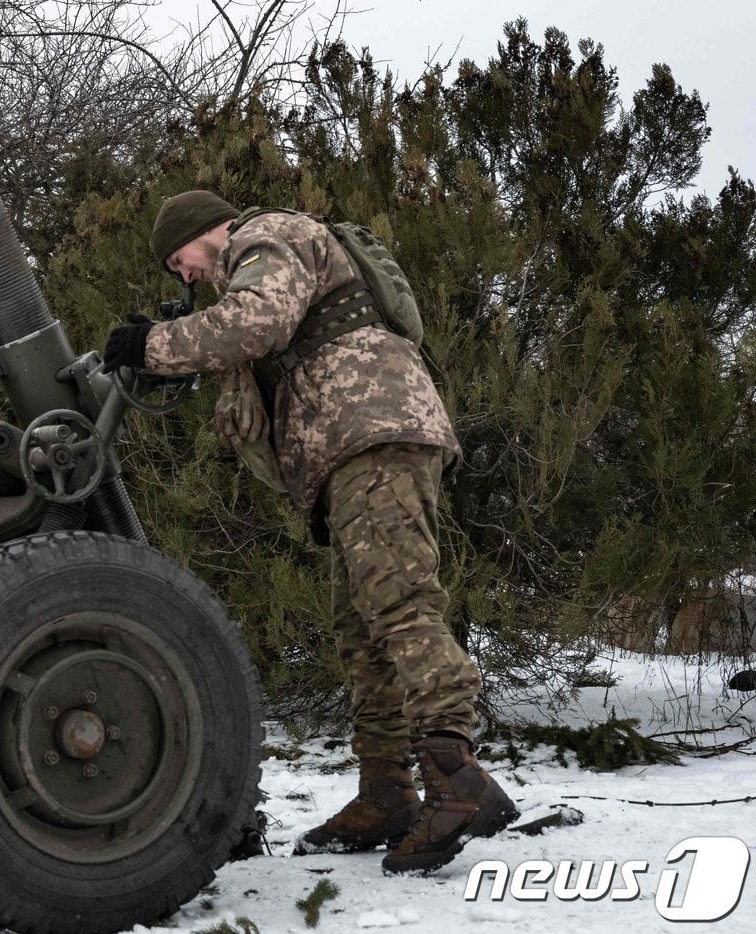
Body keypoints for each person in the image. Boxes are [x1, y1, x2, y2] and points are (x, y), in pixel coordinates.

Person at [101, 190, 518, 875]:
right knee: (362, 630)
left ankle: (457, 779)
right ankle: (386, 790)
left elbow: (257, 321)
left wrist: (152, 343)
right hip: (347, 447)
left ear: (205, 233)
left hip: (371, 433)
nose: (186, 276)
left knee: (400, 604)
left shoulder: (266, 237)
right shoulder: (253, 261)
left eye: (181, 260)